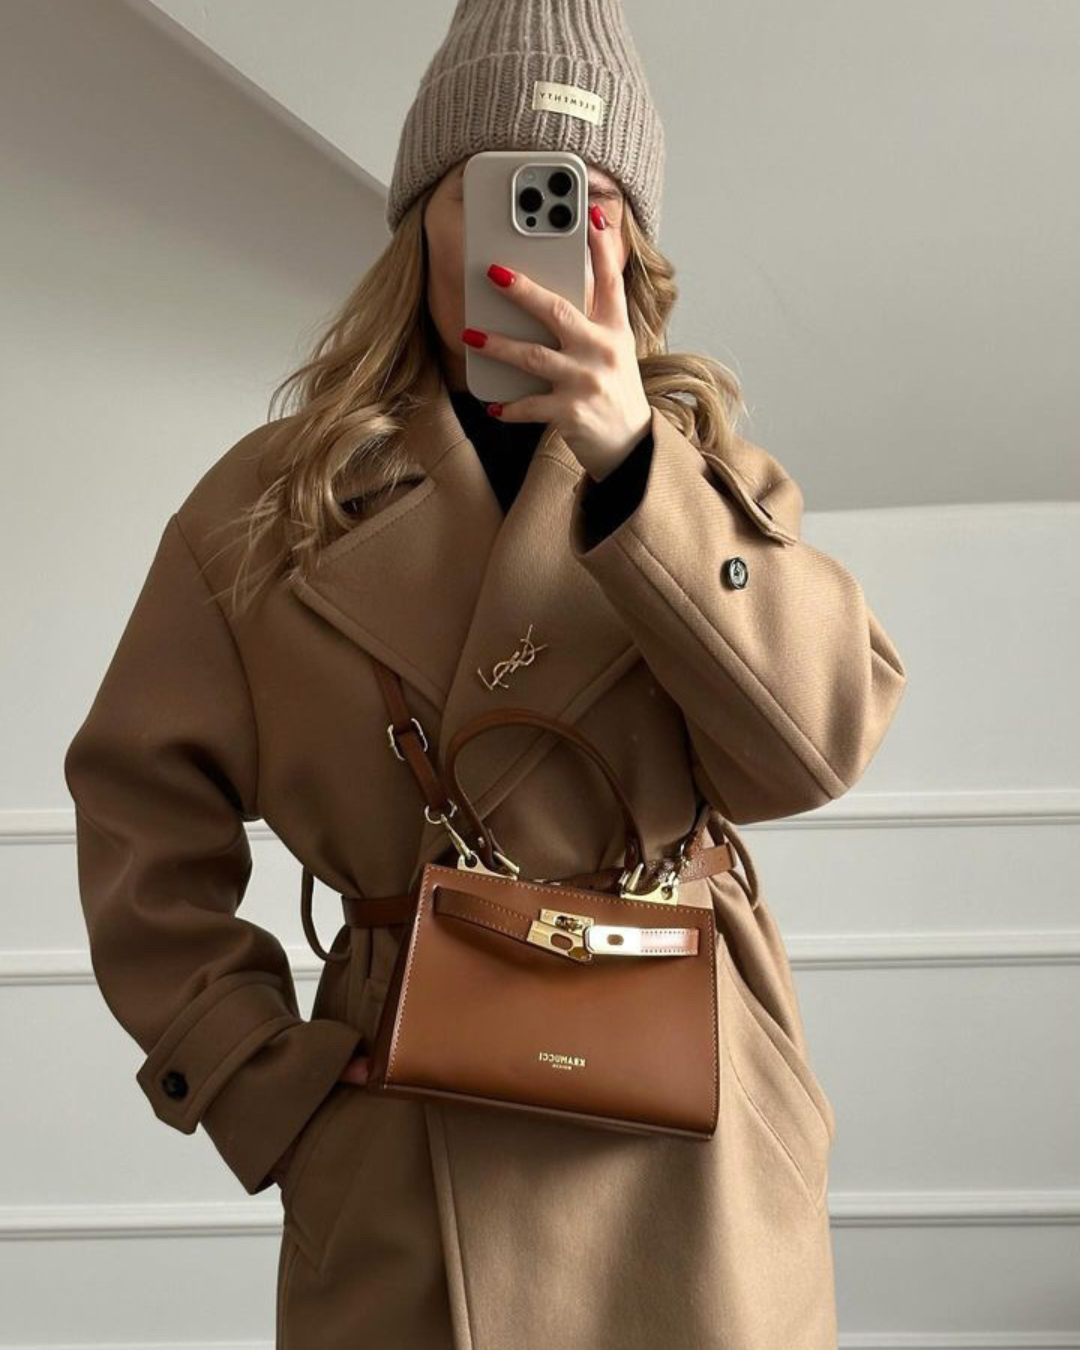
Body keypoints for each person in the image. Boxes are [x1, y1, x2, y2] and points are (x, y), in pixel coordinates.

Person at [64, 1, 908, 1346]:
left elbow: (816, 749)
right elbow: (136, 810)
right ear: (423, 221)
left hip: (694, 1152)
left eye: (585, 198)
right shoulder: (267, 511)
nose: (547, 231)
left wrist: (634, 467)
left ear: (629, 242)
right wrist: (263, 1080)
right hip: (402, 1140)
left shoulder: (710, 487)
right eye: (504, 188)